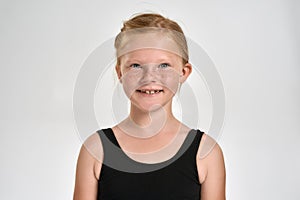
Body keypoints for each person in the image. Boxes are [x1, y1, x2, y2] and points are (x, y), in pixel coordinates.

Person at [73, 13, 226, 200]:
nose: (149, 78)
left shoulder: (205, 152)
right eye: (136, 65)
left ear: (184, 72)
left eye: (163, 65)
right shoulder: (95, 150)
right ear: (120, 72)